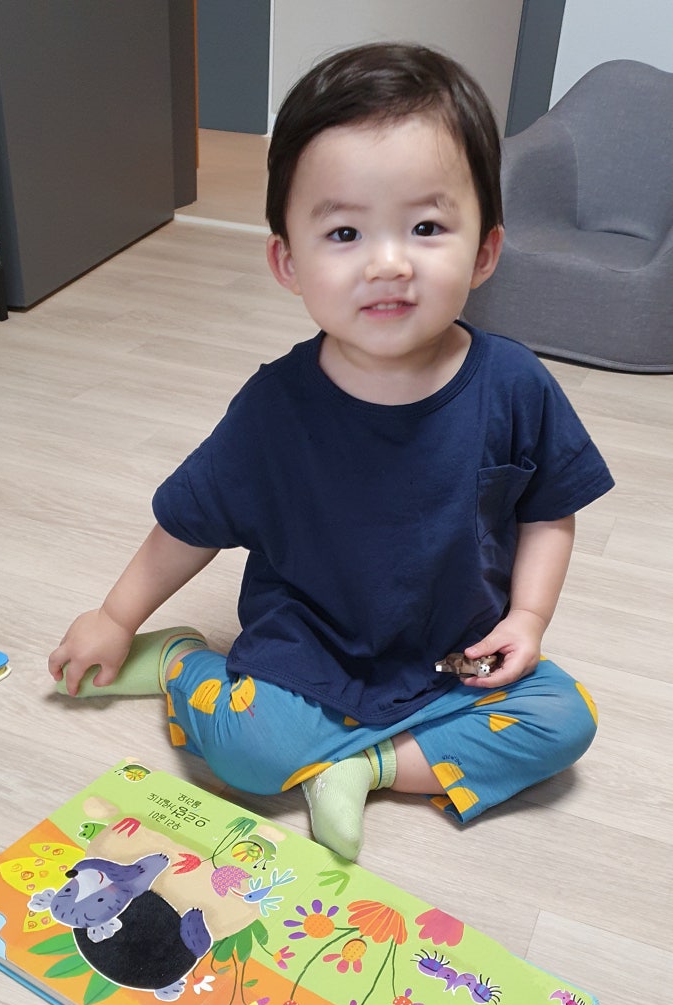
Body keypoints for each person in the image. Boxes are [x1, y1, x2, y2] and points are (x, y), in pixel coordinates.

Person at [48, 42, 614, 862]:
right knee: (249, 755)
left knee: (564, 720)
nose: (388, 262)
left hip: (451, 653)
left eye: (426, 227)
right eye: (344, 231)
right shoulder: (274, 406)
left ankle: (363, 766)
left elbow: (549, 510)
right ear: (288, 261)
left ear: (485, 251)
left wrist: (526, 619)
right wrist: (114, 617)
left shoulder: (515, 383)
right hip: (308, 650)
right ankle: (179, 664)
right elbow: (189, 524)